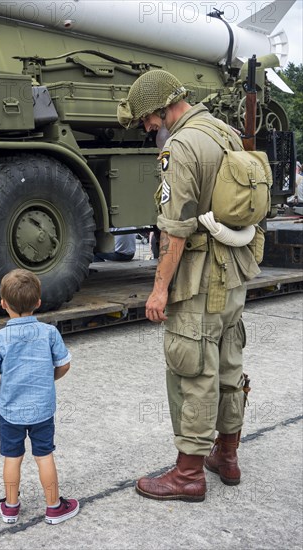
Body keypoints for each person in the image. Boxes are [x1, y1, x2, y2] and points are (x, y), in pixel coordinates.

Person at [117, 70, 260, 502]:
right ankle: (227, 455)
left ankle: (187, 474)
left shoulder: (180, 146)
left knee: (192, 370)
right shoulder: (223, 131)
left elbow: (175, 228)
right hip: (235, 271)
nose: (146, 128)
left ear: (163, 108)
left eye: (147, 119)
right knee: (229, 364)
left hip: (199, 278)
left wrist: (159, 289)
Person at [0, 269, 79, 524]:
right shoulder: (49, 333)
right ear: (38, 303)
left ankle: (11, 507)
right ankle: (54, 507)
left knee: (12, 458)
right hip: (42, 410)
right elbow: (64, 364)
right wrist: (49, 379)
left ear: (3, 304)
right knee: (44, 456)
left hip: (11, 411)